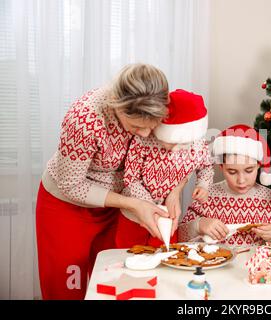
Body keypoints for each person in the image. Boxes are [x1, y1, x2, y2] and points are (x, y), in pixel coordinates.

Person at [35, 63, 181, 299]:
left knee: (111, 283)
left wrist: (175, 190)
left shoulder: (159, 106)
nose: (145, 134)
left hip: (116, 208)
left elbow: (186, 155)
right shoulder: (84, 120)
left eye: (151, 127)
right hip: (66, 208)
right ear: (117, 107)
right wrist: (133, 204)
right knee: (68, 286)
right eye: (136, 127)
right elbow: (71, 185)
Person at [115, 89, 214, 248]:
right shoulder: (144, 140)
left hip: (169, 215)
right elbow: (131, 179)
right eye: (171, 140)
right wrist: (149, 206)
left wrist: (203, 185)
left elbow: (206, 167)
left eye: (183, 144)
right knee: (128, 255)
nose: (176, 149)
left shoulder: (198, 144)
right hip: (134, 216)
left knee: (165, 256)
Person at [178, 124, 271, 246]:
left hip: (257, 264)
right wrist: (198, 225)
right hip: (216, 263)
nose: (241, 180)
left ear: (258, 165)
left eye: (249, 170)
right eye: (232, 172)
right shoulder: (206, 196)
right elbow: (180, 237)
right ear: (221, 167)